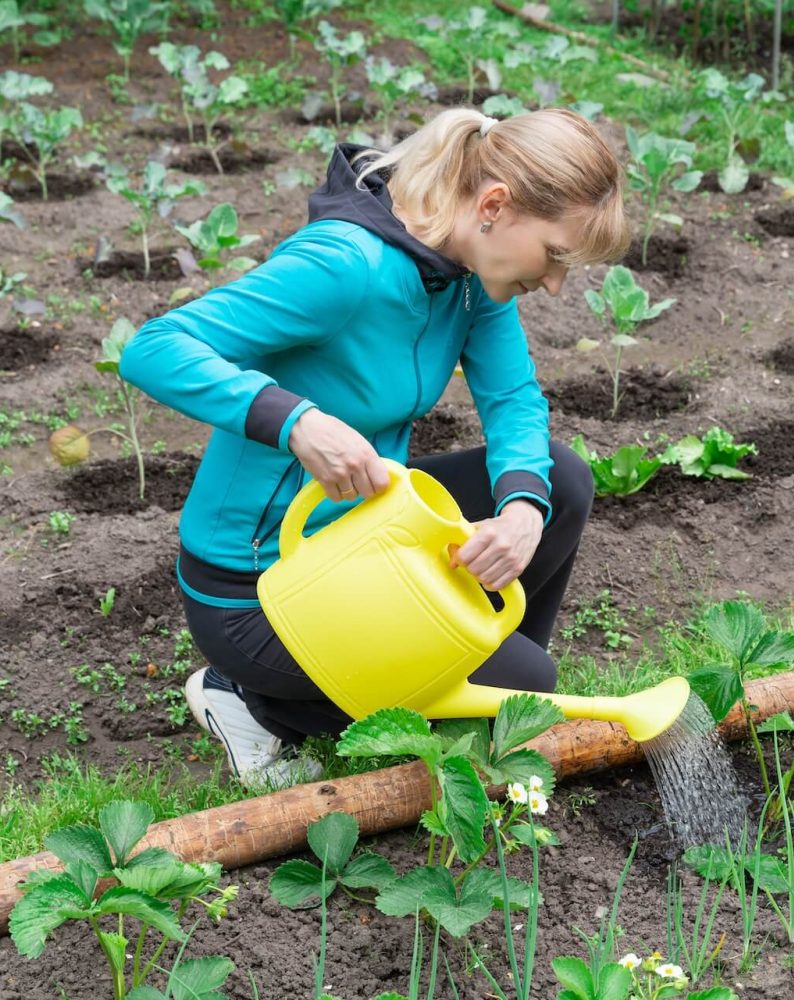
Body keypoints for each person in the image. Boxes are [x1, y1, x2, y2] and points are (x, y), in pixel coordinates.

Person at [120, 107, 630, 786]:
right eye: (557, 255)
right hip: (260, 590)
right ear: (495, 205)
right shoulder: (345, 266)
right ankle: (252, 700)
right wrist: (296, 421)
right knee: (521, 691)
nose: (558, 283)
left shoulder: (472, 277)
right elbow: (153, 348)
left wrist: (520, 513)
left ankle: (481, 677)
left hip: (360, 541)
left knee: (558, 484)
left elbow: (513, 403)